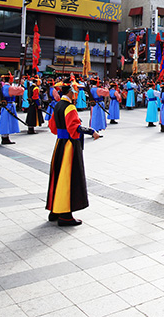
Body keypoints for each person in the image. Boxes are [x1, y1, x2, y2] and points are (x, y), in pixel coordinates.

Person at [46, 78, 99, 226]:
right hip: (69, 145)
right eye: (75, 90)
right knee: (67, 178)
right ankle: (65, 214)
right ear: (70, 91)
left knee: (58, 176)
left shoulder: (57, 105)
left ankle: (54, 210)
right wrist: (91, 131)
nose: (76, 93)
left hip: (60, 144)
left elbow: (52, 127)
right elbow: (74, 127)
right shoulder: (69, 107)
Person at [0, 75, 25, 144]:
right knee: (6, 122)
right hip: (9, 106)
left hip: (6, 106)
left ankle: (5, 137)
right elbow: (21, 90)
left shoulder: (4, 87)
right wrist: (20, 86)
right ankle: (5, 138)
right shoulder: (9, 88)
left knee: (5, 121)